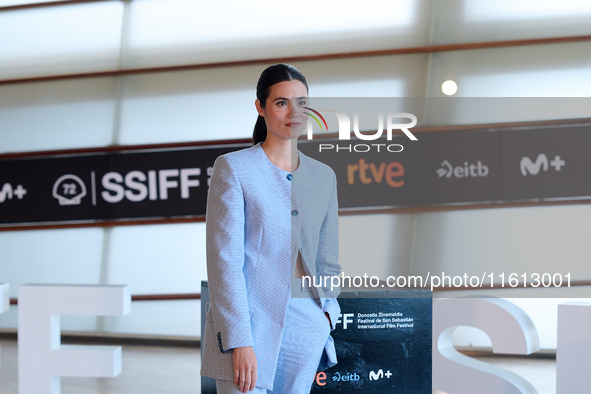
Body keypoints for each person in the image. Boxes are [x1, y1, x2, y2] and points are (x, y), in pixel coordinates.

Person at [200, 63, 341, 393]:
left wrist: (327, 315)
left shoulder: (323, 177)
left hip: (307, 322)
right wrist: (239, 341)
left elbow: (327, 256)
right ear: (261, 107)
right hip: (251, 325)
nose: (294, 112)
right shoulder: (234, 168)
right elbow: (224, 263)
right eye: (281, 103)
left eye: (302, 103)